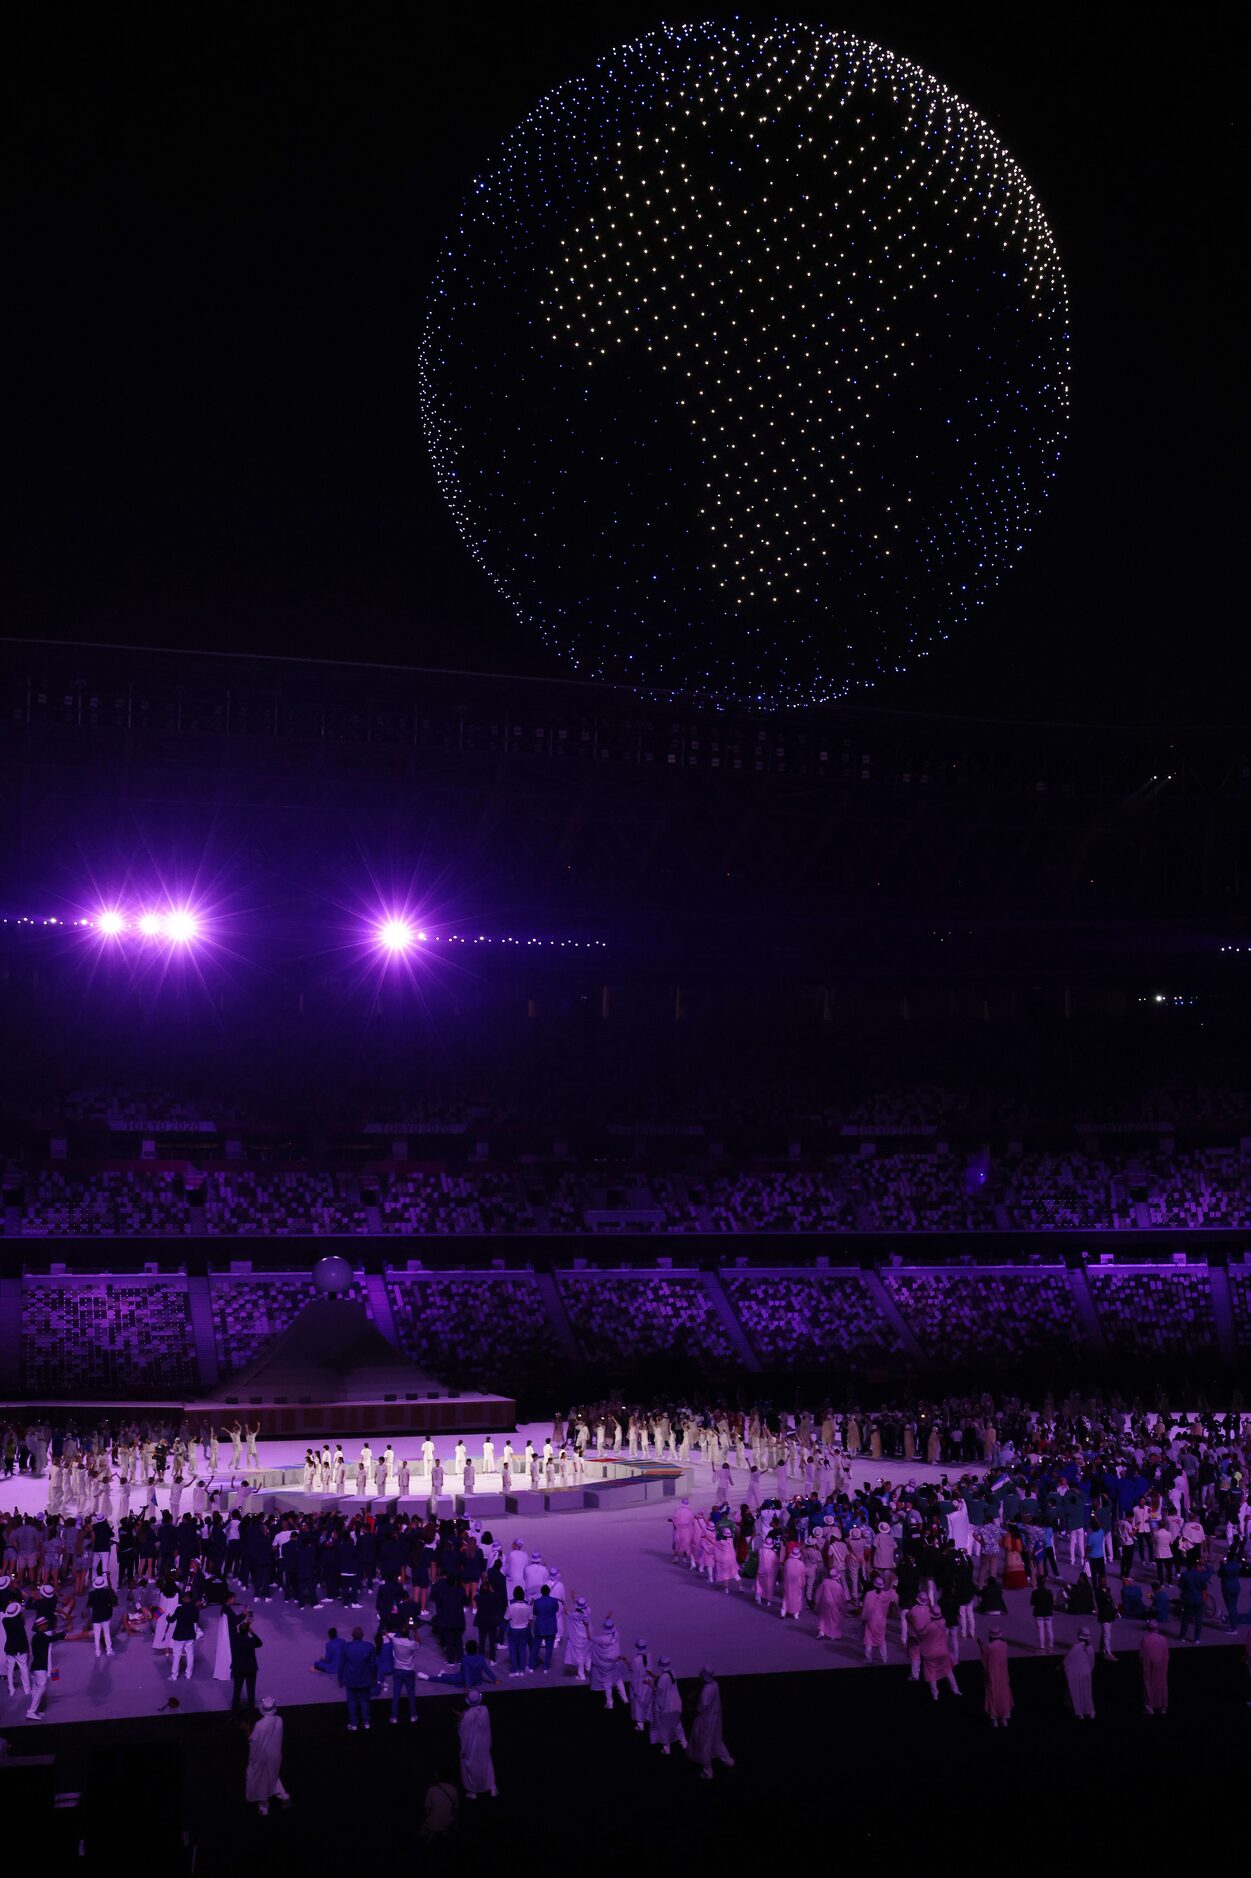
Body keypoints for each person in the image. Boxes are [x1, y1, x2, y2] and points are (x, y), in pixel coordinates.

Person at [245, 1696, 291, 1816]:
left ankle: (263, 1806)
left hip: (262, 1757)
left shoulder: (260, 1725)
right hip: (276, 1755)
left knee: (261, 1780)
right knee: (274, 1776)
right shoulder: (280, 1720)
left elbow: (254, 1742)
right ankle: (284, 1796)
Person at [687, 1668, 735, 1780]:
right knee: (716, 1740)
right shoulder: (715, 1685)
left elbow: (703, 1707)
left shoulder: (707, 1689)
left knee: (704, 1744)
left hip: (705, 1721)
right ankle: (727, 1760)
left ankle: (707, 1771)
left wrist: (692, 1708)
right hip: (714, 1719)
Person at [458, 1689, 497, 1799]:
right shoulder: (485, 1710)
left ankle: (473, 1791)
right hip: (484, 1742)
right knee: (487, 1765)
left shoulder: (468, 1716)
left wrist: (463, 1750)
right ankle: (492, 1787)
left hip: (472, 1745)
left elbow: (464, 1734)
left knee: (471, 1766)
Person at [339, 1625, 377, 1731]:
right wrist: (374, 1677)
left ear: (352, 1636)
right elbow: (373, 1665)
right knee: (365, 1701)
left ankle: (354, 1723)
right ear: (362, 1636)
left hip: (350, 1679)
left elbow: (341, 1664)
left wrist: (340, 1679)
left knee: (352, 1701)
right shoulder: (369, 1646)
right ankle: (366, 1722)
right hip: (365, 1679)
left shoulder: (346, 1647)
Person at [649, 1656, 687, 1754]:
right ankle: (684, 1742)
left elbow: (659, 1692)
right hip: (676, 1705)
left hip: (667, 1707)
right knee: (677, 1724)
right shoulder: (672, 1673)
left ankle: (666, 1748)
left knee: (664, 1727)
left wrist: (650, 1685)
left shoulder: (663, 1677)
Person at [230, 1610, 263, 1717]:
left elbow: (237, 1633)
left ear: (239, 1631)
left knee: (237, 1691)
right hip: (250, 1669)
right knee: (251, 1692)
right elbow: (260, 1643)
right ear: (247, 1631)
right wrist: (251, 1631)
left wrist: (246, 1626)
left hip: (238, 1669)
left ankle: (234, 1713)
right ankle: (250, 1713)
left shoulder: (234, 1639)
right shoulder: (250, 1641)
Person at [980, 1624, 1013, 1726]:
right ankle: (1004, 1718)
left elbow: (984, 1659)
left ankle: (994, 1719)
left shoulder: (989, 1647)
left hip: (993, 1674)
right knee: (1003, 1693)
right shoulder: (1005, 1645)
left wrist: (980, 1646)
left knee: (993, 1693)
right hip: (1003, 1674)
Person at [1063, 1627, 1096, 1719]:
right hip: (1086, 1672)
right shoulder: (1090, 1648)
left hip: (1076, 1673)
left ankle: (1079, 1712)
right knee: (1087, 1692)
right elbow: (1092, 1661)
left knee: (1077, 1692)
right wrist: (1089, 1670)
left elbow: (1067, 1660)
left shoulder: (1075, 1647)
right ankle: (1090, 1711)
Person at [1141, 1618, 1170, 1715]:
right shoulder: (1162, 1638)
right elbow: (1166, 1653)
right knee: (1162, 1682)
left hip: (1150, 1663)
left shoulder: (1145, 1639)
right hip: (1162, 1663)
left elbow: (1143, 1655)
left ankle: (1149, 1706)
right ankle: (1163, 1706)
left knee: (1148, 1681)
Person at [88, 1566, 117, 1657]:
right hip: (105, 1615)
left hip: (96, 1616)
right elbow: (111, 1603)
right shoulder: (107, 1592)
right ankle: (109, 1650)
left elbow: (90, 1604)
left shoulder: (91, 1594)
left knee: (97, 1635)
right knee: (106, 1633)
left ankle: (97, 1651)